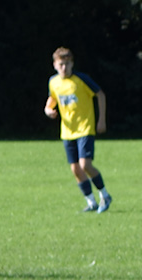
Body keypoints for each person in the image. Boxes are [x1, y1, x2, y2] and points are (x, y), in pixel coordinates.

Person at [45, 47, 110, 211]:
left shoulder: (81, 80)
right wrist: (48, 109)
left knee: (85, 165)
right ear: (54, 65)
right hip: (67, 131)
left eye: (67, 64)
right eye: (61, 64)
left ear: (72, 63)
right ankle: (91, 202)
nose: (64, 68)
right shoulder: (53, 82)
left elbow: (100, 95)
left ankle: (105, 195)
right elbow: (52, 99)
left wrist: (101, 120)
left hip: (85, 128)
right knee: (75, 168)